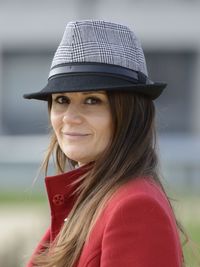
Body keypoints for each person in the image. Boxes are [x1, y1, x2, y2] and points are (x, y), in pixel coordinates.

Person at [23, 20, 184, 267]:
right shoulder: (90, 198)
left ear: (131, 113)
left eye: (92, 100)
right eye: (62, 99)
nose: (69, 118)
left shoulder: (135, 207)